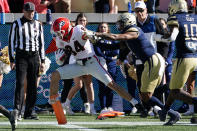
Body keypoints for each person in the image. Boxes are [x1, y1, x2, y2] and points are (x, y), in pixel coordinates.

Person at [48, 16, 147, 118]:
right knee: (55, 75)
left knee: (112, 84)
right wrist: (63, 56)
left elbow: (89, 36)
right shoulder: (59, 40)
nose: (58, 34)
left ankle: (137, 105)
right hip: (78, 64)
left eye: (60, 32)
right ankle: (56, 106)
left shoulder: (78, 29)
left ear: (67, 28)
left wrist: (89, 36)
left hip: (91, 62)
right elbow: (60, 62)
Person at [95, 12, 180, 123]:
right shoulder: (129, 33)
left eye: (121, 23)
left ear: (128, 22)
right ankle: (169, 102)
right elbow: (114, 45)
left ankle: (171, 111)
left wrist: (97, 34)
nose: (119, 26)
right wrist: (96, 42)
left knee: (146, 95)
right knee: (144, 95)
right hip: (149, 62)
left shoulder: (134, 30)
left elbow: (115, 37)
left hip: (152, 61)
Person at [156, 0, 197, 125]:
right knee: (173, 87)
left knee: (175, 90)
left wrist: (160, 38)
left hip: (185, 57)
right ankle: (166, 110)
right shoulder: (194, 17)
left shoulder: (175, 18)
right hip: (196, 55)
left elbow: (172, 37)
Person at [8, 2, 45, 121]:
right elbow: (11, 42)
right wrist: (12, 59)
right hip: (21, 56)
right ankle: (17, 111)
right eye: (29, 11)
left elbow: (41, 44)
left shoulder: (38, 25)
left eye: (33, 12)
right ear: (24, 11)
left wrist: (42, 60)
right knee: (20, 83)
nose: (31, 14)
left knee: (33, 85)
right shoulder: (16, 24)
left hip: (34, 57)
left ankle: (29, 111)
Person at [60, 13, 95, 115]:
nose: (82, 22)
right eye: (80, 20)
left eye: (84, 20)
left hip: (87, 60)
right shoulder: (73, 31)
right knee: (79, 85)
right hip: (75, 59)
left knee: (89, 84)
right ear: (77, 22)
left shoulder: (89, 32)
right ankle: (66, 103)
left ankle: (91, 107)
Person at [94, 22, 119, 111]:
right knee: (102, 86)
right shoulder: (97, 39)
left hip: (112, 64)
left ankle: (110, 106)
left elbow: (116, 51)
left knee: (111, 85)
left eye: (104, 27)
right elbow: (98, 52)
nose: (103, 29)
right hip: (101, 63)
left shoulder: (112, 38)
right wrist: (108, 55)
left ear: (108, 29)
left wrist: (106, 53)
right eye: (101, 27)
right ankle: (103, 107)